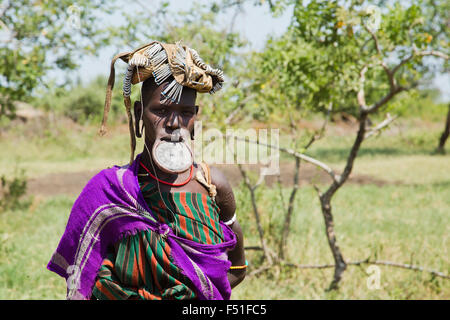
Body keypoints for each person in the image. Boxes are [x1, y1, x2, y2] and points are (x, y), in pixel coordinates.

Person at [47, 41, 246, 300]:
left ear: (195, 119)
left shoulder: (212, 185)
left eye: (185, 113)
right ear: (140, 113)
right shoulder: (109, 190)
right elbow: (80, 278)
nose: (174, 123)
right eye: (161, 110)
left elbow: (238, 269)